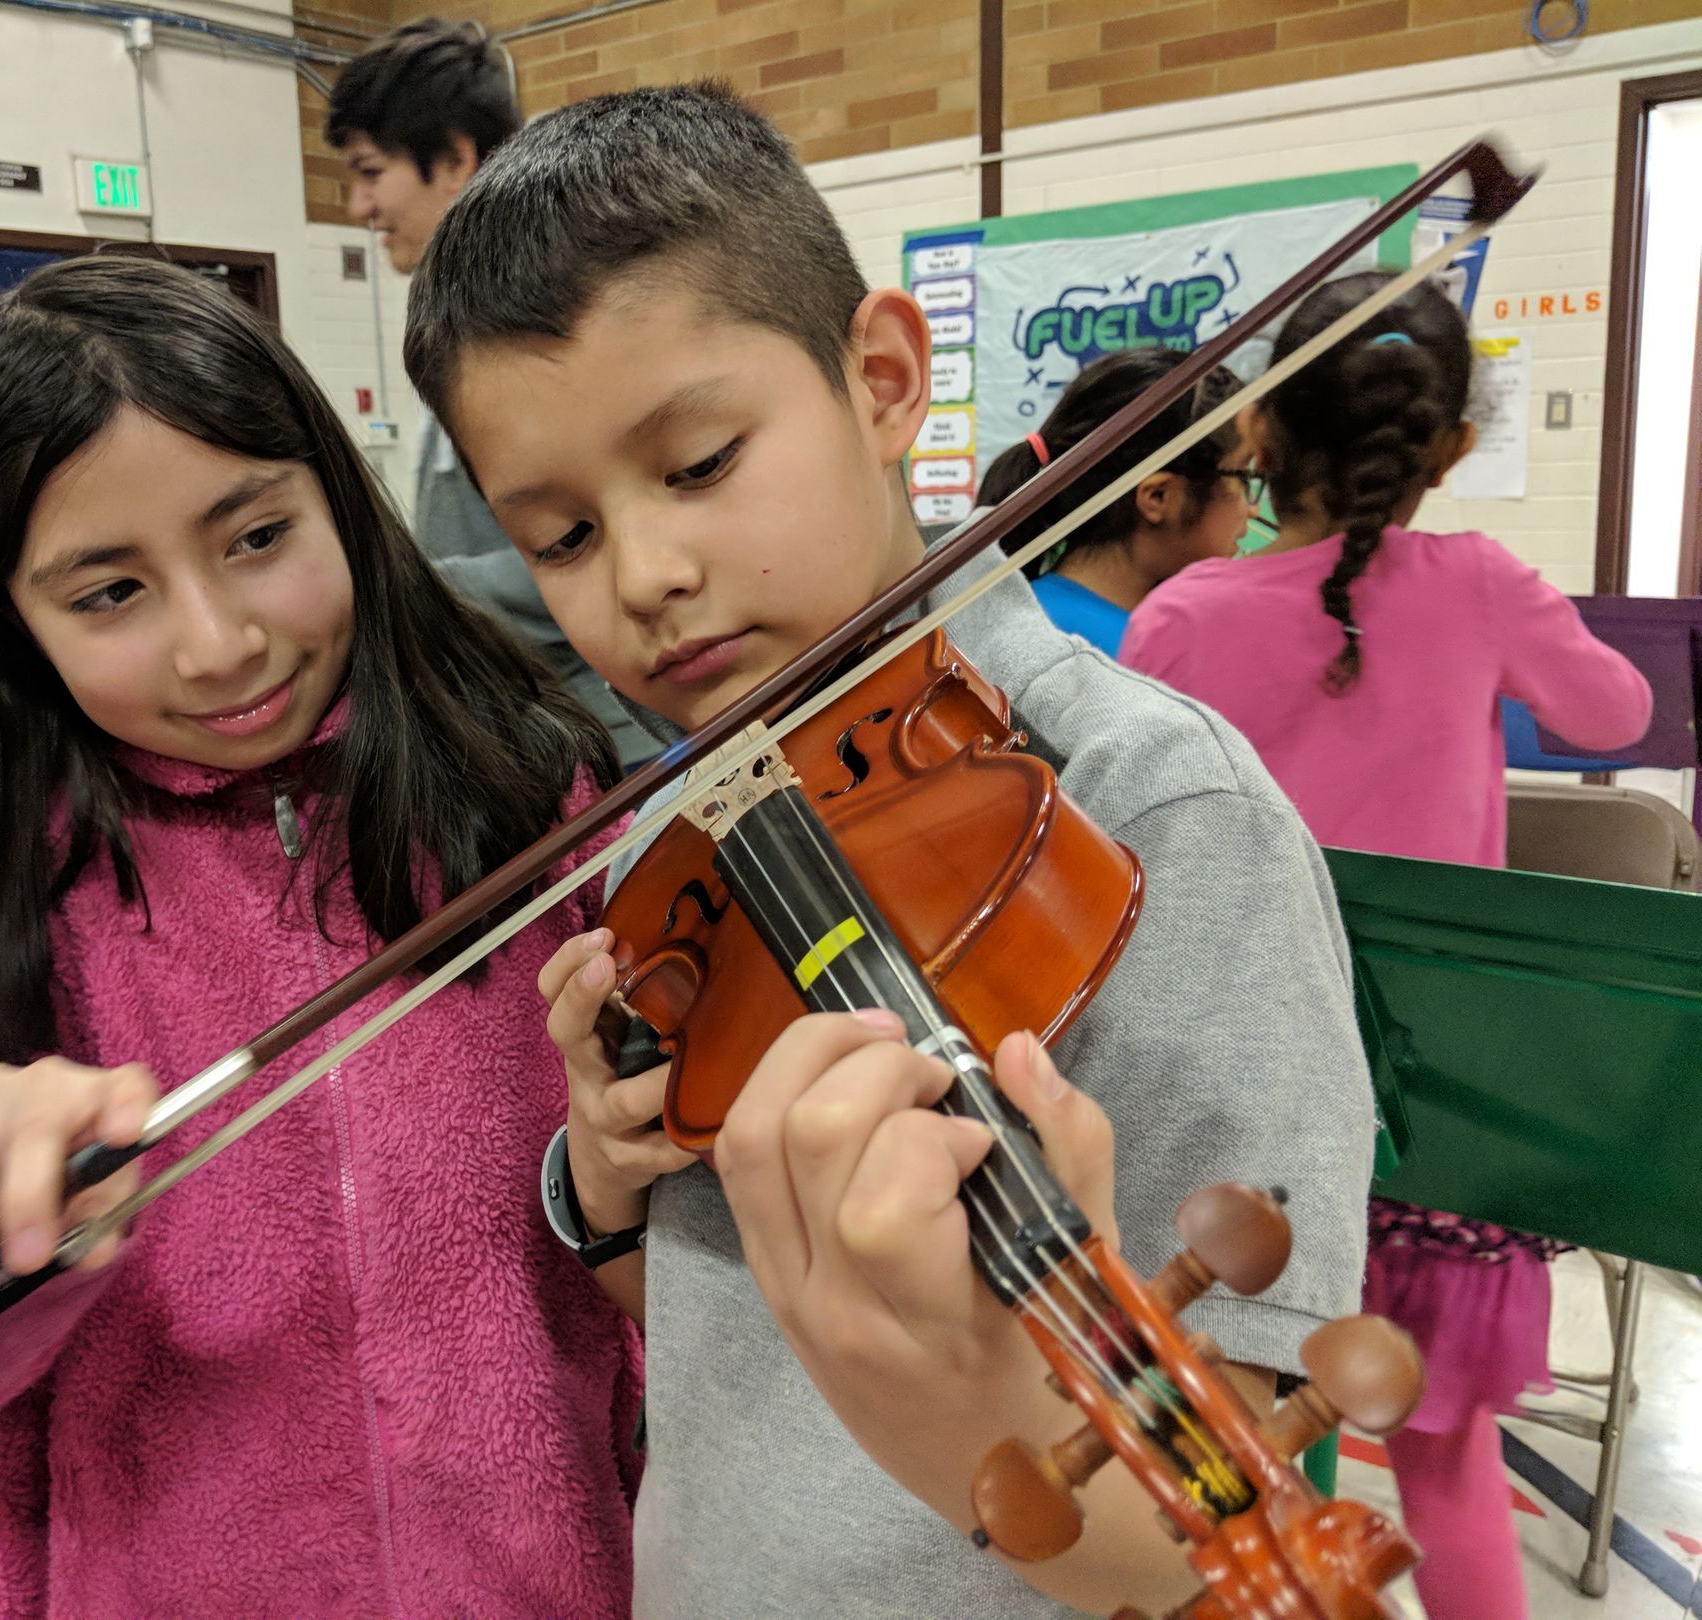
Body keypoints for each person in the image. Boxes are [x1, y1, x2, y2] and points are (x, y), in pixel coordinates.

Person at [405, 83, 1375, 1619]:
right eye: (562, 539)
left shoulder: (1152, 809)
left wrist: (959, 1394)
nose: (645, 578)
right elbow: (727, 1336)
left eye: (701, 461)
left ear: (880, 377)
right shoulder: (692, 811)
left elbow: (1227, 1525)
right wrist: (602, 1187)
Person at [0, 258, 639, 1620]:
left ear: (339, 496)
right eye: (108, 594)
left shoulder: (524, 794)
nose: (218, 644)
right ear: (13, 625)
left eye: (257, 536)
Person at [1119, 270, 1652, 1619]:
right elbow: (1614, 711)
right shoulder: (1476, 584)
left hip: (1257, 1120)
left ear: (1258, 440)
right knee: (1450, 1463)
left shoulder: (1178, 620)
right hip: (1442, 1124)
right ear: (1449, 447)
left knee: (1248, 1462)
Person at [327, 17, 656, 767]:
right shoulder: (465, 321)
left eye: (372, 172)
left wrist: (397, 586)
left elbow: (603, 545)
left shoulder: (549, 314)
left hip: (610, 750)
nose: (358, 207)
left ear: (454, 158)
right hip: (531, 738)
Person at [978, 348, 1255, 657]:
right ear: (1158, 496)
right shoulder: (1139, 651)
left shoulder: (1026, 615)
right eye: (1242, 478)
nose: (1252, 509)